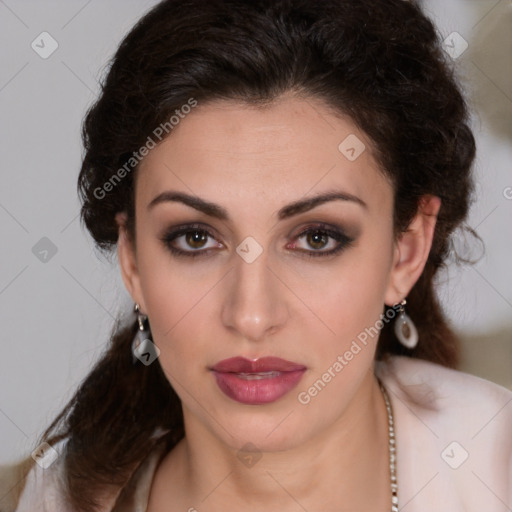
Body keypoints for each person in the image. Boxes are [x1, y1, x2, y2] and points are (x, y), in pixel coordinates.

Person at [1, 0, 511, 510]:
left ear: (406, 251)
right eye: (196, 238)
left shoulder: (496, 469)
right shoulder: (57, 499)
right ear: (132, 260)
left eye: (316, 238)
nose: (251, 315)